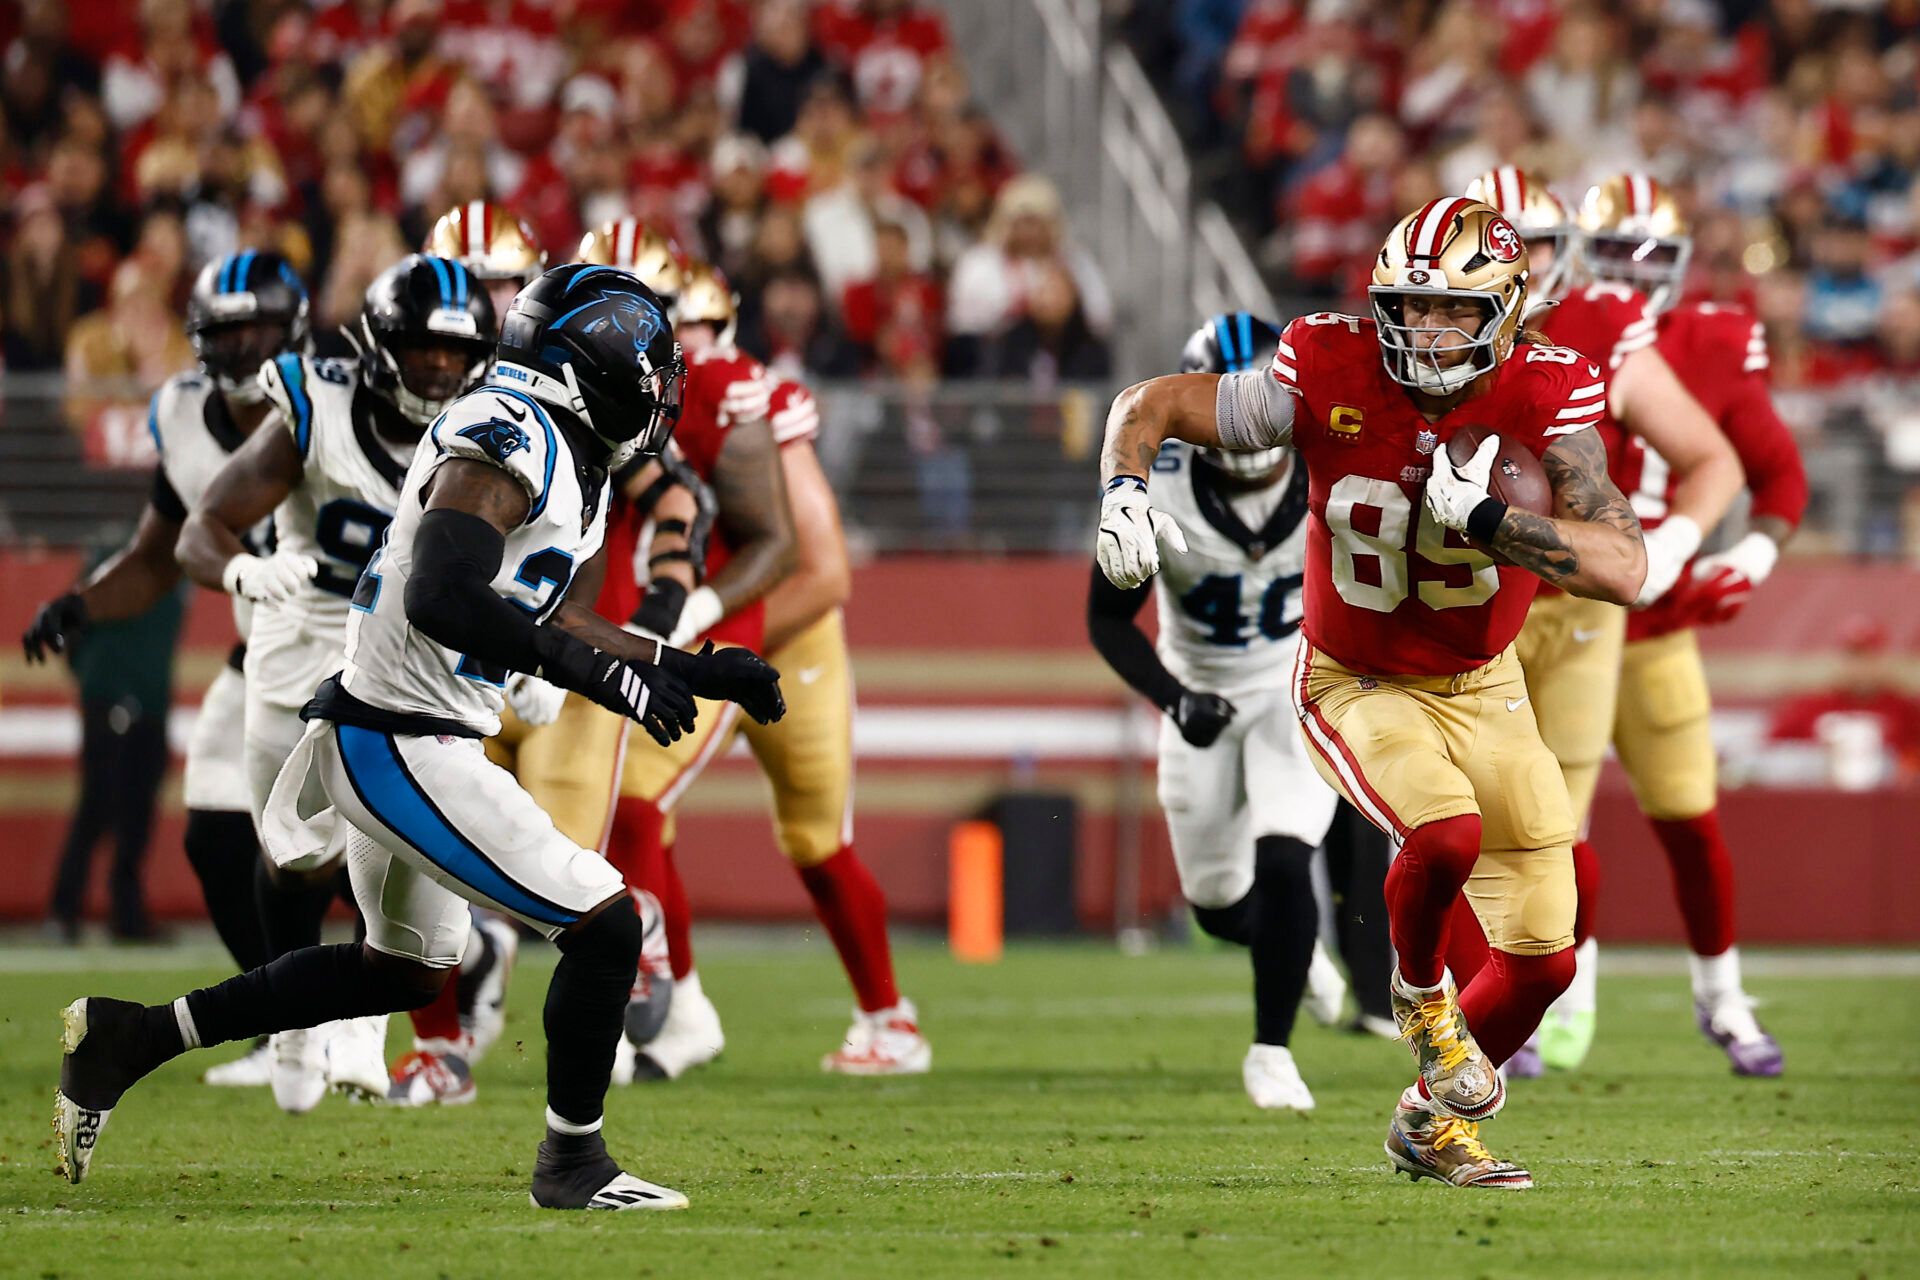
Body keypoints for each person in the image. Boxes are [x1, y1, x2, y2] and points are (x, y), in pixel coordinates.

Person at [53, 264, 786, 1212]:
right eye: (648, 369)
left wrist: (681, 662)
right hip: (400, 736)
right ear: (592, 367)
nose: (659, 391)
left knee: (398, 970)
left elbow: (545, 610)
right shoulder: (510, 436)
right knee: (605, 926)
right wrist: (603, 679)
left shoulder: (560, 444)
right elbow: (444, 595)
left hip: (412, 733)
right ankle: (573, 1162)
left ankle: (129, 1038)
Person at [1095, 197, 1648, 1188]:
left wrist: (1492, 522)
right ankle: (1420, 997)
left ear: (1507, 312)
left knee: (1546, 962)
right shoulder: (1325, 362)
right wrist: (1124, 486)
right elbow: (1154, 404)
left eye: (1449, 314)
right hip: (1355, 673)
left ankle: (1431, 1125)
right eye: (1408, 307)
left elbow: (1621, 565)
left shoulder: (1549, 387)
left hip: (1486, 680)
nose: (1422, 333)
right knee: (1443, 834)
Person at [173, 254, 496, 1111]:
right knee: (288, 857)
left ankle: (362, 1028)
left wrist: (523, 655)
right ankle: (291, 1027)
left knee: (393, 834)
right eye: (422, 348)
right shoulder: (317, 406)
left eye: (454, 354)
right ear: (381, 344)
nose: (438, 368)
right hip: (296, 641)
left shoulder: (497, 429)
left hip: (401, 652)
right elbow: (202, 525)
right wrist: (243, 571)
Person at [606, 260, 930, 1079]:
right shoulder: (618, 408)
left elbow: (822, 573)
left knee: (817, 841)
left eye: (706, 333)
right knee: (637, 808)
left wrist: (722, 646)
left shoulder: (749, 401)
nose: (698, 352)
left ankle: (889, 1018)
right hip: (704, 632)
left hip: (780, 642)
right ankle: (679, 1007)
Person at [1462, 166, 1743, 1078]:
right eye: (1501, 241)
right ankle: (1459, 1007)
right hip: (1463, 600)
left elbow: (1715, 458)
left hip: (1574, 606)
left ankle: (1546, 1004)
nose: (1520, 260)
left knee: (1555, 818)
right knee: (1450, 818)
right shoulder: (1429, 326)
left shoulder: (1603, 326)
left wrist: (1671, 546)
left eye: (1535, 243)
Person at [24, 250, 309, 1087]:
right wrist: (81, 603)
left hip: (343, 645)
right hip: (261, 650)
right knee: (217, 833)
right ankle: (287, 1025)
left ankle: (359, 1018)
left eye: (261, 328)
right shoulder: (181, 413)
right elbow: (155, 556)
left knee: (329, 852)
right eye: (230, 331)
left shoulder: (327, 401)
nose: (247, 346)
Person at [1572, 173, 1808, 1076]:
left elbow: (1777, 474)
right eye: (1615, 255)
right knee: (1552, 827)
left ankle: (1723, 997)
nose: (1633, 274)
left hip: (1655, 629)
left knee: (1689, 817)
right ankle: (1561, 1000)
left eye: (1651, 256)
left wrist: (1747, 558)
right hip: (1560, 621)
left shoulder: (1712, 340)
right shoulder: (1560, 327)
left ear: (1681, 265)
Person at [1086, 312, 1347, 1111]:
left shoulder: (1333, 469)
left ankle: (1271, 1051)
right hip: (1196, 686)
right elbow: (1105, 619)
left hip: (1295, 685)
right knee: (1219, 905)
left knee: (1285, 856)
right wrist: (1174, 696)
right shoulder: (1156, 487)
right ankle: (1296, 957)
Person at [44, 553, 184, 942]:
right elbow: (73, 620)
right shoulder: (112, 553)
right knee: (97, 806)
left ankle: (126, 914)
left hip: (152, 703)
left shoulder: (181, 557)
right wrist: (97, 683)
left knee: (138, 813)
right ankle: (64, 910)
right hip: (109, 698)